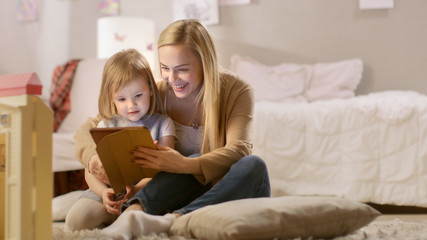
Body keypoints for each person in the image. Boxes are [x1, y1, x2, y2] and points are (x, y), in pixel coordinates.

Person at [73, 19, 271, 239]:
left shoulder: (237, 91)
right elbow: (89, 127)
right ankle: (135, 213)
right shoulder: (158, 92)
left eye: (182, 70)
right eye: (165, 68)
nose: (171, 79)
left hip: (214, 190)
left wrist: (186, 164)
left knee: (254, 166)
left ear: (206, 63)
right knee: (82, 216)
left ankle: (173, 221)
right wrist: (92, 158)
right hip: (168, 191)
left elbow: (239, 149)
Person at [65, 49, 176, 231]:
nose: (131, 105)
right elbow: (90, 171)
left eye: (138, 96)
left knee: (149, 220)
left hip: (146, 191)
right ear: (111, 97)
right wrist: (103, 192)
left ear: (150, 88)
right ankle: (89, 206)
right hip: (109, 191)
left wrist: (137, 189)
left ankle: (116, 216)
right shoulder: (105, 125)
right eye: (122, 99)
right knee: (76, 222)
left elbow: (165, 167)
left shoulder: (163, 123)